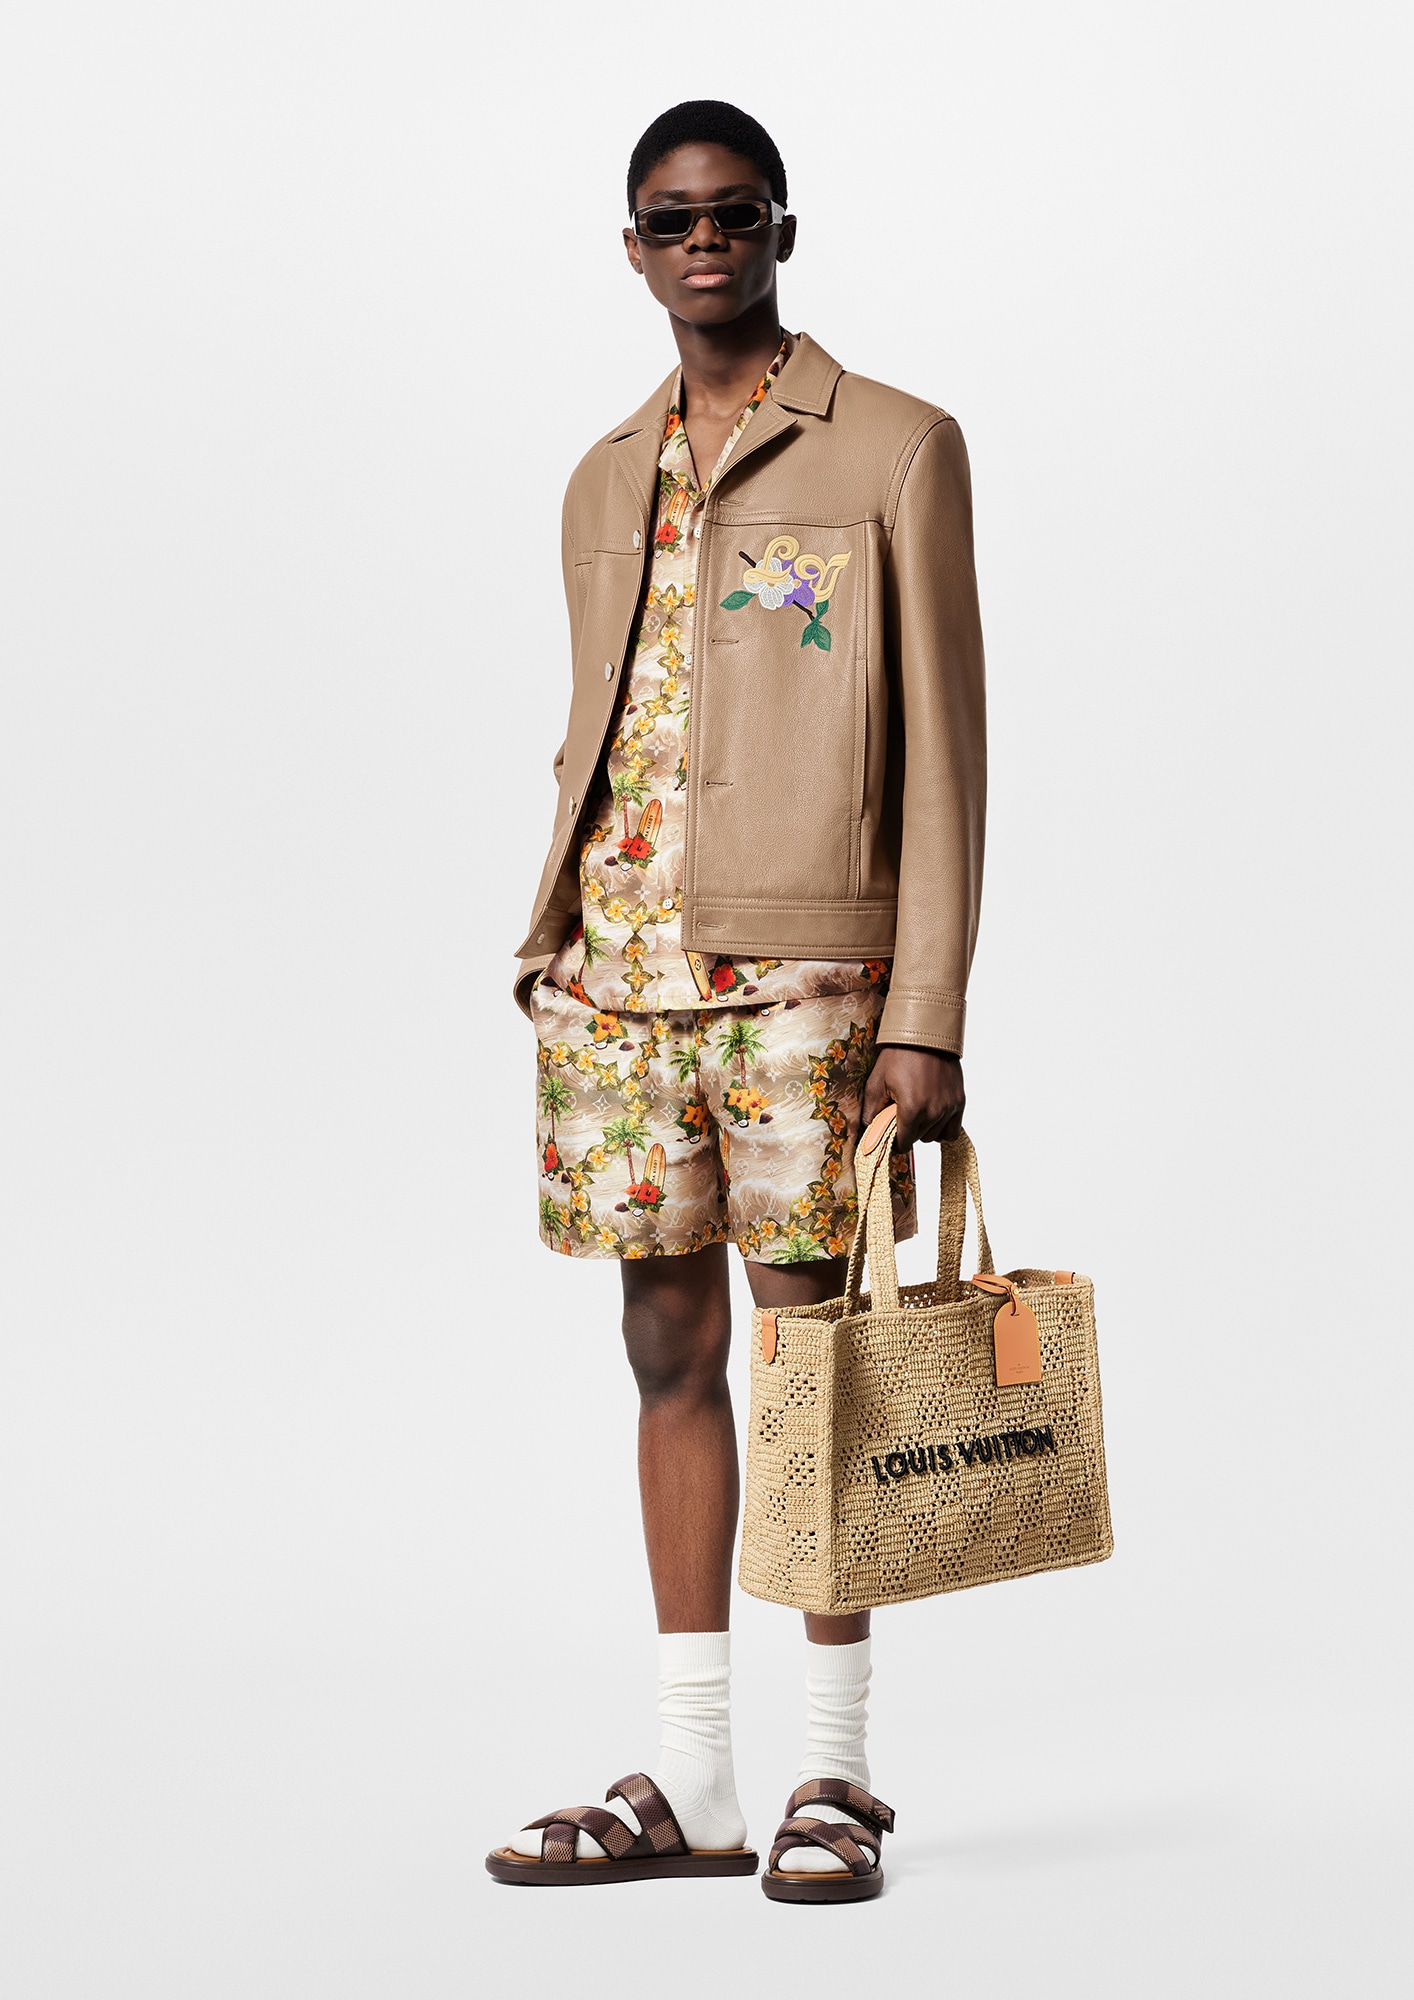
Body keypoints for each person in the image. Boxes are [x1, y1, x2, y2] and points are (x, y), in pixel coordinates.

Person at [486, 99, 985, 1902]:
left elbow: (948, 749)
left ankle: (835, 1771)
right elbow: (609, 720)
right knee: (667, 1350)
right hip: (616, 980)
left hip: (808, 982)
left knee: (816, 1362)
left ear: (782, 229)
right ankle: (697, 1775)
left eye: (733, 213)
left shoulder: (898, 447)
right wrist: (556, 937)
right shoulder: (600, 474)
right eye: (670, 218)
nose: (703, 241)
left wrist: (927, 1007)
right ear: (631, 247)